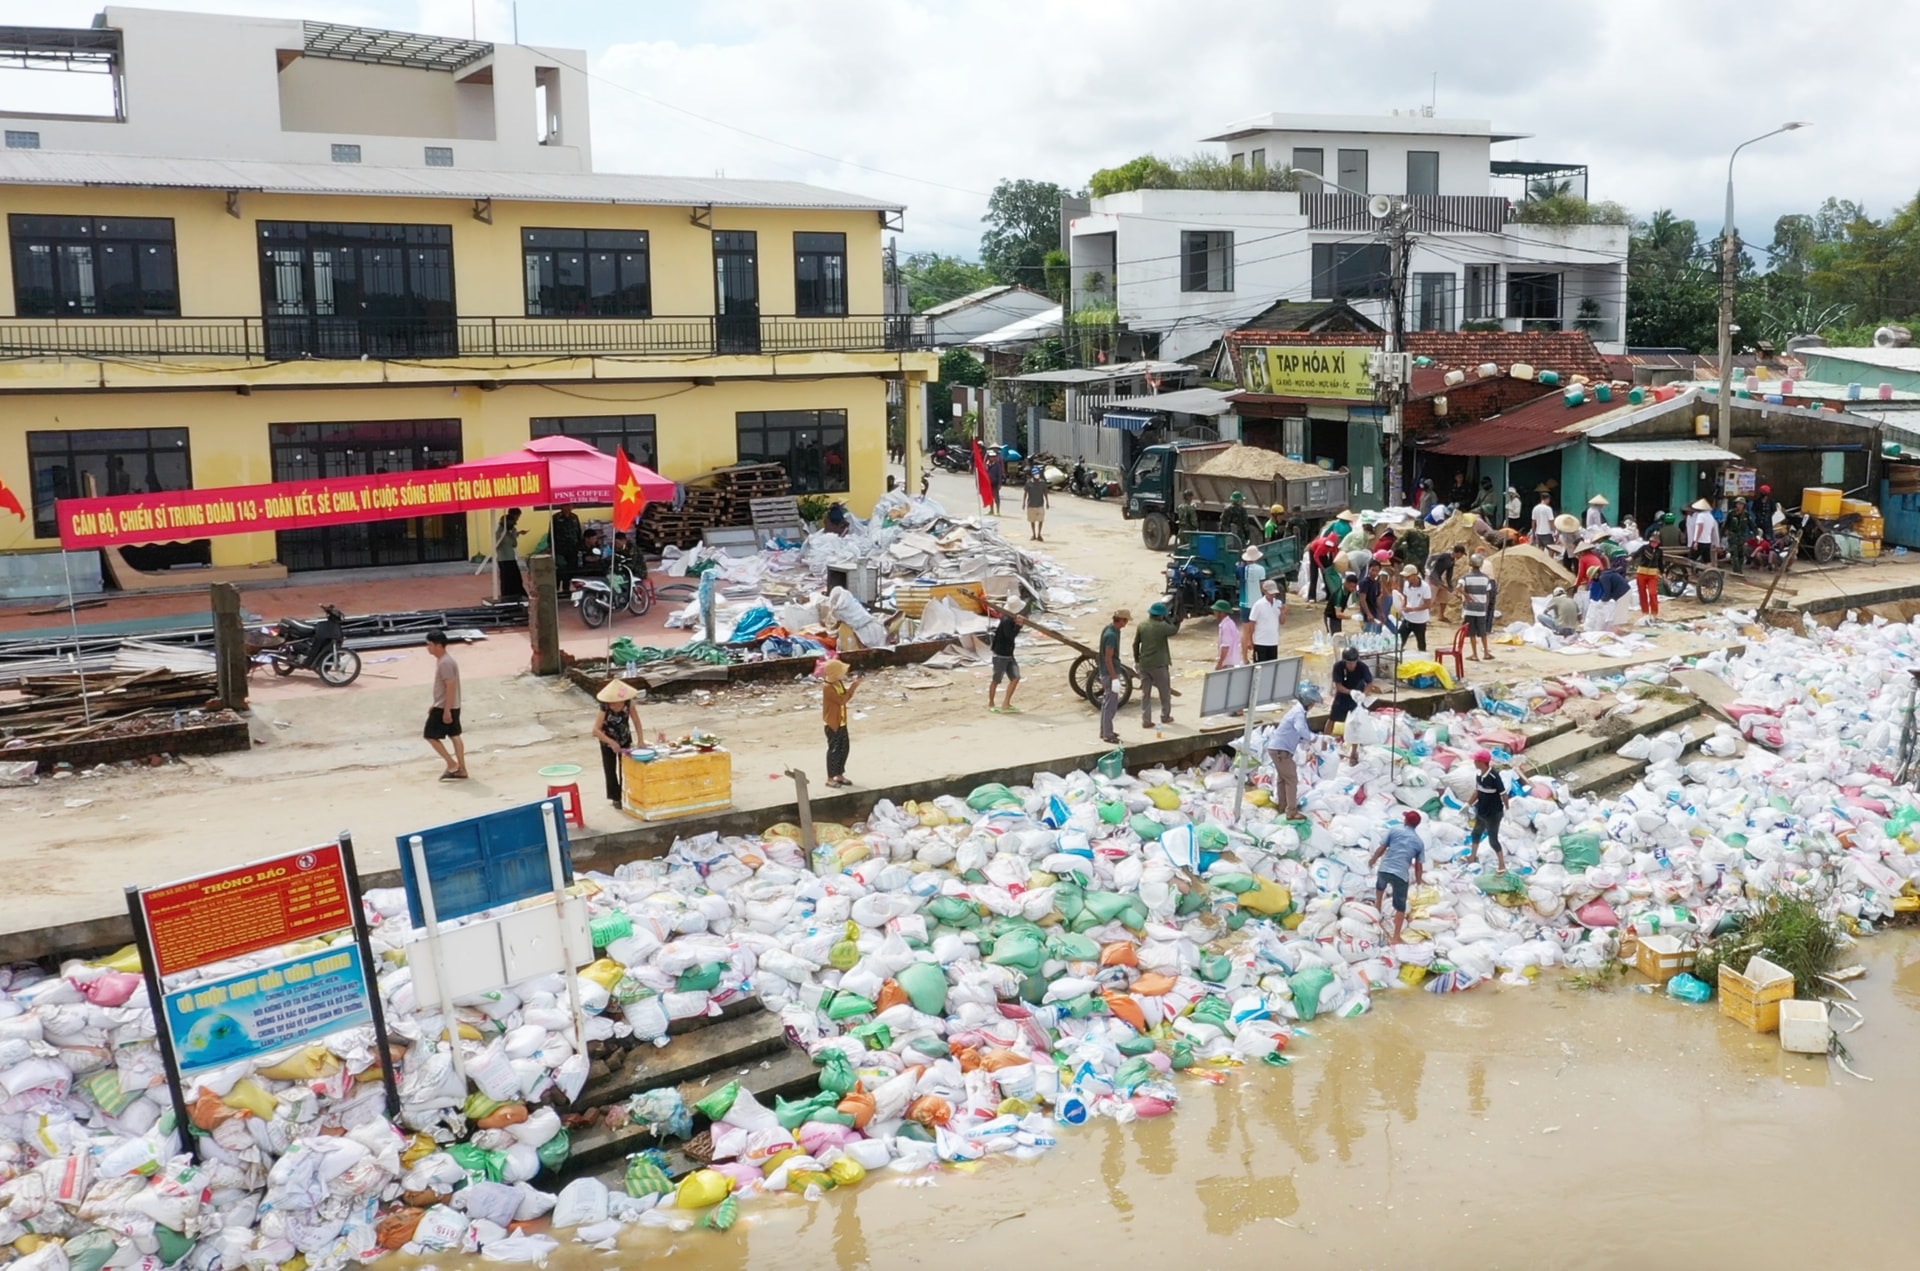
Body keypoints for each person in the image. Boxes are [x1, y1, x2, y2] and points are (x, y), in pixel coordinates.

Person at [1369, 810, 1428, 944]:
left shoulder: (1394, 830)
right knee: (1400, 907)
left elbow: (1382, 848)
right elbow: (1419, 866)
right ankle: (1396, 937)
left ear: (1406, 821)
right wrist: (1419, 883)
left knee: (1380, 886)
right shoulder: (1419, 842)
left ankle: (1377, 908)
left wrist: (1373, 860)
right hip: (1401, 875)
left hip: (1385, 869)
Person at [423, 630, 466, 780]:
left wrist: (445, 710)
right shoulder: (445, 660)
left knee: (430, 735)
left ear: (438, 645)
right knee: (454, 735)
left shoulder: (445, 662)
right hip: (449, 704)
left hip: (445, 706)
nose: (428, 648)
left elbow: (450, 686)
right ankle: (462, 768)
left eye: (430, 645)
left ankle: (452, 764)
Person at [592, 680, 641, 808]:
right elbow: (595, 730)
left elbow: (636, 721)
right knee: (610, 770)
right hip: (607, 741)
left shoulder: (628, 703)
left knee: (625, 769)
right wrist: (611, 742)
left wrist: (640, 740)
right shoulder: (605, 707)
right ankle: (615, 797)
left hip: (625, 739)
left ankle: (626, 794)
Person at [1263, 697, 1314, 818]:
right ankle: (1291, 812)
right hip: (1281, 751)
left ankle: (1282, 807)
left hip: (1278, 749)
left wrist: (1306, 741)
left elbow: (1298, 733)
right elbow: (1301, 729)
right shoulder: (1298, 713)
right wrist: (1314, 738)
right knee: (1291, 779)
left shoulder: (1297, 711)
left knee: (1282, 779)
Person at [1133, 602, 1178, 728]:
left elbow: (1135, 644)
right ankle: (1165, 716)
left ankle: (1146, 720)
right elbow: (1174, 629)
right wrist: (1169, 618)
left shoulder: (1142, 625)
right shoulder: (1162, 626)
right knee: (1164, 692)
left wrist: (1137, 660)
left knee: (1145, 694)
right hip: (1159, 665)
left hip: (1144, 664)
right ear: (1161, 615)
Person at [1466, 749, 1508, 871]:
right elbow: (1477, 791)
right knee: (1476, 833)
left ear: (1481, 762)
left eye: (1475, 760)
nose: (1474, 762)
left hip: (1493, 813)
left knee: (1493, 840)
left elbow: (1503, 794)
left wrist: (1507, 808)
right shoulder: (1479, 775)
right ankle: (1472, 856)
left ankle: (1502, 865)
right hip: (1482, 810)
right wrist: (1468, 804)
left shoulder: (1494, 776)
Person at [821, 659, 860, 787]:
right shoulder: (827, 687)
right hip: (833, 723)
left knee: (844, 749)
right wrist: (854, 687)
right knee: (834, 750)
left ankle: (839, 774)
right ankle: (830, 777)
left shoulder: (838, 683)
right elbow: (842, 700)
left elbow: (844, 695)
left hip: (842, 721)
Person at [1330, 646, 1374, 756]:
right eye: (1349, 663)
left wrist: (1363, 694)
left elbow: (1369, 683)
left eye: (1353, 663)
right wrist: (1350, 692)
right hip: (1343, 696)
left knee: (1356, 724)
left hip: (1357, 698)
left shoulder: (1362, 667)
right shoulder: (1338, 667)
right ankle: (1325, 742)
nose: (1351, 666)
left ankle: (1354, 752)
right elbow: (1338, 686)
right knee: (1332, 718)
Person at [987, 599, 1026, 713]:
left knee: (1015, 678)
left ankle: (1006, 703)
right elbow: (1010, 636)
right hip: (1000, 655)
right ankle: (991, 703)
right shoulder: (1006, 621)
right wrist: (1019, 626)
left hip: (1008, 654)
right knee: (996, 680)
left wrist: (1017, 623)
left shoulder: (1010, 619)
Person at [1098, 608, 1129, 745]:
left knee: (1106, 702)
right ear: (1121, 620)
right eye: (1125, 620)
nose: (1126, 623)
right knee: (1111, 704)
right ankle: (1108, 734)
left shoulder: (1110, 630)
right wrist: (1114, 677)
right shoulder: (1111, 635)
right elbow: (1108, 658)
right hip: (1109, 673)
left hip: (1106, 672)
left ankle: (1104, 730)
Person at [1459, 552, 1496, 662]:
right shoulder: (1486, 578)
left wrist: (1467, 596)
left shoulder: (1465, 577)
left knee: (1472, 633)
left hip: (1470, 609)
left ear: (1470, 564)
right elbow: (1488, 594)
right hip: (1481, 610)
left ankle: (1474, 654)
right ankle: (1486, 653)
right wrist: (1485, 605)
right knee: (1483, 632)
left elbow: (1458, 588)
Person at [1244, 579, 1285, 663]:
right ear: (1264, 591)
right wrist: (1250, 640)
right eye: (1270, 593)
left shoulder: (1278, 603)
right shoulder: (1258, 605)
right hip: (1260, 642)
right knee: (1260, 666)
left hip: (1273, 641)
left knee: (1271, 666)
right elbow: (1252, 623)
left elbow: (1282, 622)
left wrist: (1283, 613)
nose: (1273, 595)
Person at [1396, 564, 1432, 652]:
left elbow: (1428, 604)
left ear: (1414, 575)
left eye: (1408, 577)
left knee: (1421, 643)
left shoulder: (1425, 587)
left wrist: (1412, 609)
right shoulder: (1406, 584)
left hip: (1420, 620)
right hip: (1408, 618)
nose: (1406, 579)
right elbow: (1405, 597)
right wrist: (1403, 607)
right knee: (1399, 640)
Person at [495, 509, 527, 600]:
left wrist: (514, 533)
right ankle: (507, 598)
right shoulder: (499, 532)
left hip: (511, 558)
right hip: (504, 560)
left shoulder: (509, 532)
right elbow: (497, 545)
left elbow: (514, 544)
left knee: (517, 580)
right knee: (507, 582)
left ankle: (519, 596)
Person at [1427, 543, 1464, 623]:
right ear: (1458, 553)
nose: (1461, 557)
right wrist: (1428, 568)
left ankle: (1441, 616)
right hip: (1432, 578)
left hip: (1439, 580)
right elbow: (1431, 557)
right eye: (1461, 555)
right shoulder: (1444, 555)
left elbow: (1448, 576)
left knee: (1444, 598)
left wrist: (1451, 587)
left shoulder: (1452, 561)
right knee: (1430, 599)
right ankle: (1424, 617)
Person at [549, 505, 583, 579]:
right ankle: (558, 587)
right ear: (561, 506)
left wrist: (580, 545)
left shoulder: (574, 517)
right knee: (560, 570)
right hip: (560, 549)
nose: (569, 508)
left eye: (570, 506)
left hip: (573, 548)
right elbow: (551, 534)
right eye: (566, 505)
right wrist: (551, 547)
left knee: (572, 570)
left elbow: (579, 532)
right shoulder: (556, 517)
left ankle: (567, 587)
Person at [1634, 536, 1663, 617]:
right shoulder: (1644, 548)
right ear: (1650, 542)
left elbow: (1660, 562)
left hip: (1653, 574)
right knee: (1642, 593)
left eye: (1656, 543)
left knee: (1653, 593)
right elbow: (1636, 554)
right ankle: (1645, 612)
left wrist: (1663, 572)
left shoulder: (1659, 551)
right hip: (1641, 573)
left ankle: (1654, 613)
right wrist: (1630, 558)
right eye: (1653, 542)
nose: (1654, 544)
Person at [1357, 559, 1388, 634]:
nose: (1374, 573)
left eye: (1376, 571)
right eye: (1372, 570)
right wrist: (1368, 613)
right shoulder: (1365, 583)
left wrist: (1382, 612)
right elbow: (1362, 599)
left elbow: (1378, 599)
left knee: (1375, 634)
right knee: (1368, 634)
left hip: (1375, 612)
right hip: (1367, 613)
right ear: (1369, 570)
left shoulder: (1377, 583)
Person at [1686, 498, 1721, 563]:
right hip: (1707, 542)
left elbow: (1700, 528)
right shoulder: (1710, 516)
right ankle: (1709, 572)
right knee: (1707, 561)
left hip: (1699, 542)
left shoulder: (1700, 516)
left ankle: (1690, 573)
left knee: (1691, 560)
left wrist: (1696, 542)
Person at [1724, 497, 1753, 573]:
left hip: (1741, 537)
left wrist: (1756, 534)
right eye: (1738, 504)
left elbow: (1752, 525)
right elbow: (1725, 525)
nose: (1740, 506)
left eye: (1741, 504)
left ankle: (1739, 570)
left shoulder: (1746, 514)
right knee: (1734, 555)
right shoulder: (1731, 513)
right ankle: (1736, 571)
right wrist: (1722, 534)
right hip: (1733, 536)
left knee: (1741, 555)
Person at [1212, 599, 1242, 670]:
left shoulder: (1226, 626)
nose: (1214, 613)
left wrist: (1220, 663)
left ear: (1222, 613)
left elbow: (1225, 647)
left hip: (1227, 663)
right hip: (1231, 662)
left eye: (1216, 611)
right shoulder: (1229, 623)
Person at [1238, 546, 1267, 621]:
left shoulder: (1240, 569)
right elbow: (1262, 586)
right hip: (1257, 603)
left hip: (1244, 603)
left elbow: (1238, 583)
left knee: (1246, 630)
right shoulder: (1261, 569)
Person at [1023, 468, 1051, 542]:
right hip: (1031, 504)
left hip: (1040, 504)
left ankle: (1039, 534)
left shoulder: (1042, 483)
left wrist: (1047, 502)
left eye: (1037, 473)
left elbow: (1045, 493)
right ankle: (1034, 534)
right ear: (1032, 475)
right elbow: (1025, 493)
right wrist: (1024, 503)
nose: (1036, 475)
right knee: (1032, 521)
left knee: (1040, 520)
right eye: (1035, 474)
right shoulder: (1028, 483)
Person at [1325, 570, 1355, 637]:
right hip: (1331, 617)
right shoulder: (1339, 594)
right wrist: (1352, 617)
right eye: (1352, 586)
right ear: (1346, 583)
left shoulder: (1348, 591)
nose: (1353, 589)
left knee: (1338, 636)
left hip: (1337, 619)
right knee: (1334, 637)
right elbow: (1338, 614)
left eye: (1354, 587)